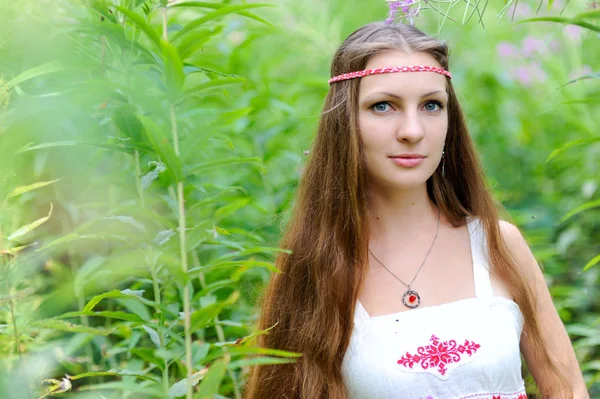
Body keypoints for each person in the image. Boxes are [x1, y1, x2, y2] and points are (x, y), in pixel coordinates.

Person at [244, 21, 588, 399]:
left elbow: (567, 389)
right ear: (345, 124)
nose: (412, 130)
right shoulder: (317, 263)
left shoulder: (498, 244)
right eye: (383, 106)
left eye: (431, 105)